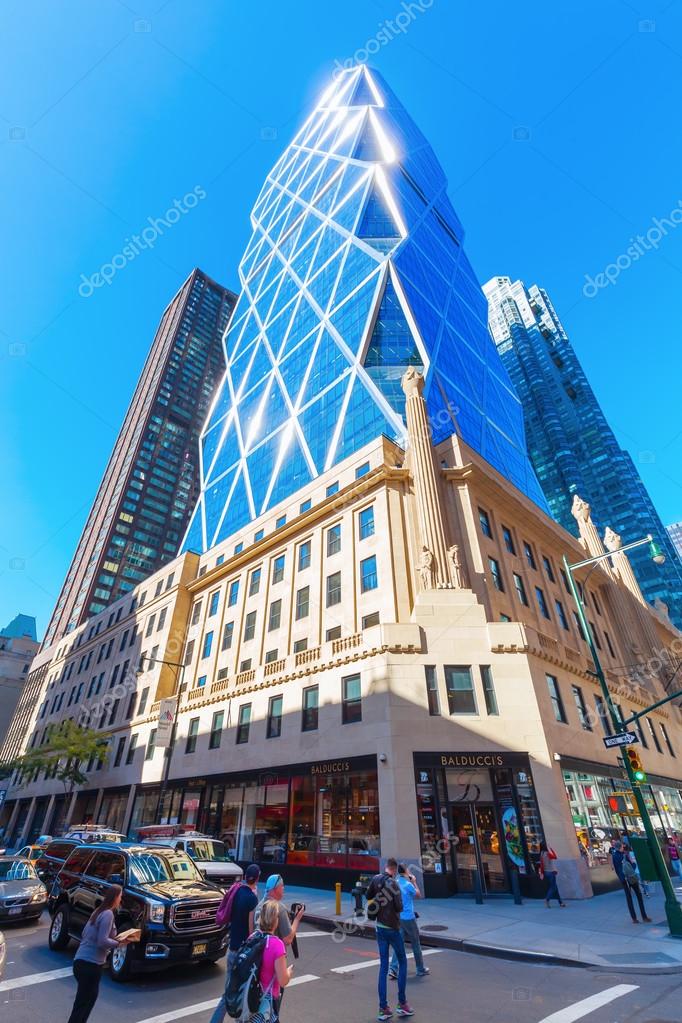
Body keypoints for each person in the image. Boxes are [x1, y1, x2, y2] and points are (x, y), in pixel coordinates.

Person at [66, 884, 134, 1023]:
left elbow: (86, 933)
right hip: (90, 965)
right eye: (120, 896)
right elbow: (102, 941)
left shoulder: (98, 911)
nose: (121, 899)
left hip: (81, 962)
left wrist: (115, 938)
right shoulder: (108, 914)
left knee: (84, 1002)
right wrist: (119, 943)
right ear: (115, 897)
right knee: (84, 1004)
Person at [209, 864, 261, 1023]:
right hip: (243, 953)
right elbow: (251, 929)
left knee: (229, 991)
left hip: (232, 948)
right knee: (243, 992)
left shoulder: (236, 891)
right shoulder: (252, 899)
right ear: (257, 878)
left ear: (246, 876)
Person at [366, 857, 414, 1020]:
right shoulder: (394, 884)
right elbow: (399, 907)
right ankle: (402, 1004)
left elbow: (368, 895)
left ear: (386, 867)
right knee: (402, 961)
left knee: (383, 967)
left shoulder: (376, 879)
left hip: (380, 928)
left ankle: (383, 1008)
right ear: (393, 870)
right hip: (393, 929)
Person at [388, 864, 429, 980]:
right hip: (408, 917)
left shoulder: (395, 883)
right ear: (406, 872)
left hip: (398, 917)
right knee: (415, 943)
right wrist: (414, 881)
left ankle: (393, 969)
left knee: (399, 943)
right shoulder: (408, 885)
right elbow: (419, 895)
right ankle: (420, 969)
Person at [257, 899, 294, 1023]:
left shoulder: (253, 937)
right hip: (269, 999)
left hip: (253, 996)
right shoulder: (277, 944)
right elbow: (283, 981)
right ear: (275, 920)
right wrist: (289, 972)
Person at [255, 873, 305, 948]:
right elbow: (288, 939)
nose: (283, 888)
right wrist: (297, 919)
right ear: (275, 889)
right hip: (274, 955)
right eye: (282, 886)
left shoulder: (259, 905)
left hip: (258, 953)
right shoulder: (280, 908)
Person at [611, 839, 651, 924]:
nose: (623, 847)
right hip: (631, 878)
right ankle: (644, 916)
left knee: (629, 898)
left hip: (624, 880)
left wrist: (621, 878)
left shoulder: (614, 856)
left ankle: (634, 918)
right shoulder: (625, 855)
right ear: (621, 847)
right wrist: (633, 863)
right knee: (639, 896)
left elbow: (617, 870)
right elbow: (632, 865)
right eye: (622, 846)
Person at [539, 842, 566, 908]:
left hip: (546, 872)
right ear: (546, 847)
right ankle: (547, 899)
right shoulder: (548, 853)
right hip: (551, 872)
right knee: (553, 887)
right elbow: (555, 856)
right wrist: (550, 848)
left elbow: (541, 865)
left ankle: (560, 903)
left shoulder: (541, 854)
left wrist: (542, 873)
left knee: (555, 887)